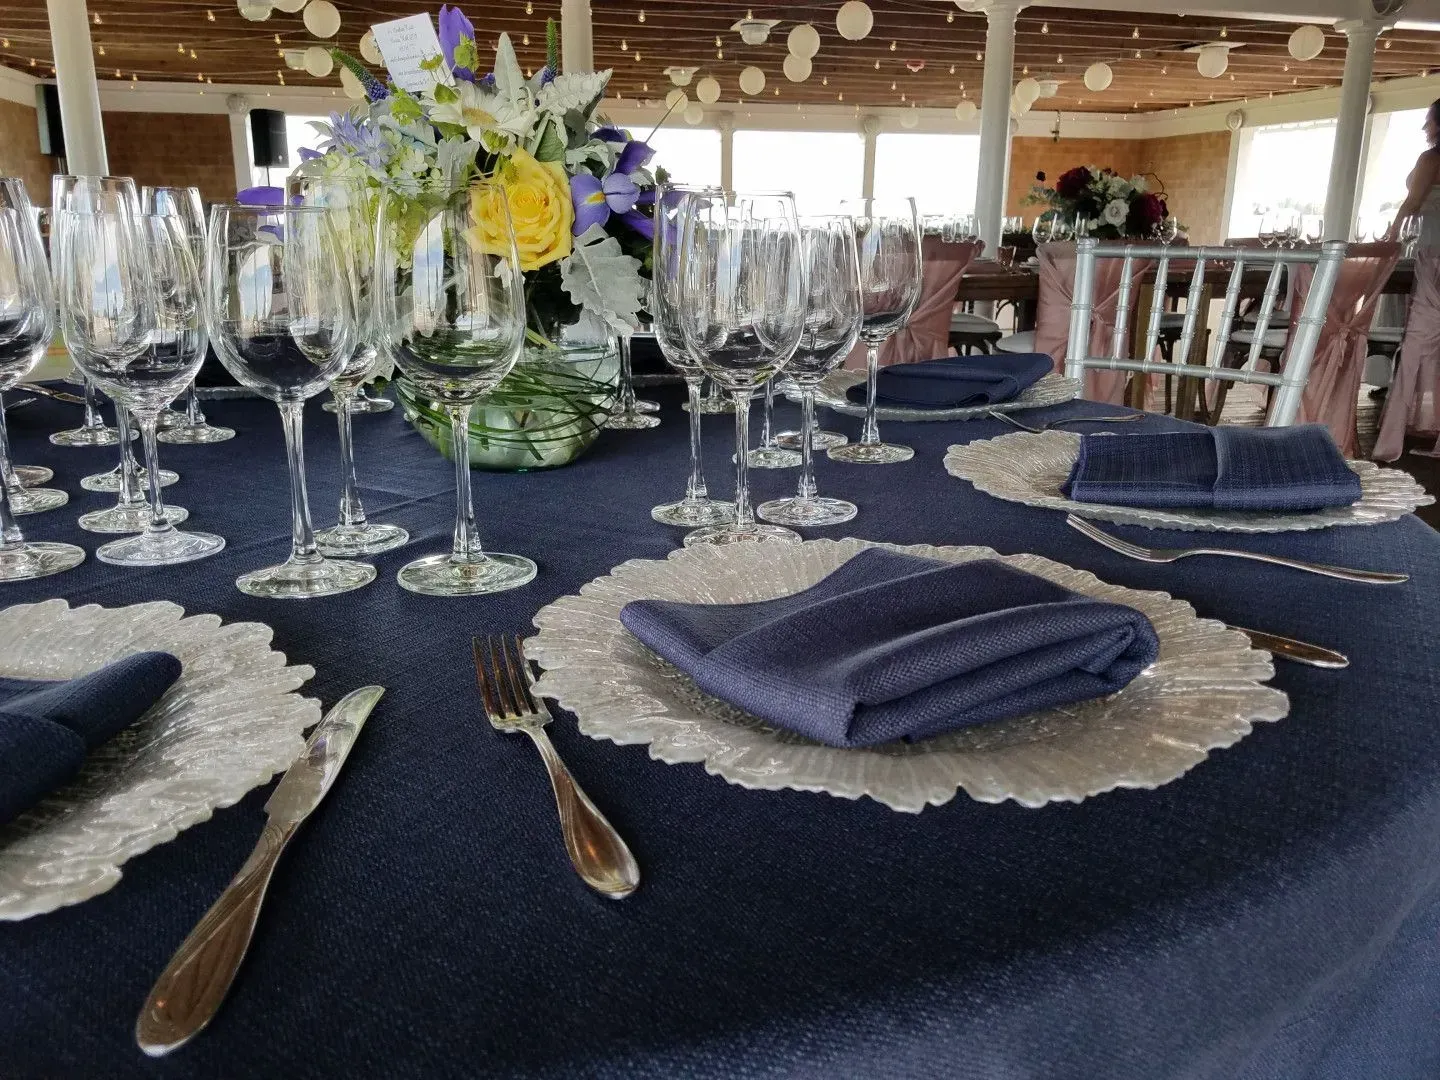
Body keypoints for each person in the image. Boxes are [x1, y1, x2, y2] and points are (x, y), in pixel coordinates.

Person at [1385, 99, 1440, 242]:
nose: (1424, 127)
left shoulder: (1430, 159)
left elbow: (1412, 202)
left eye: (1429, 122)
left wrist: (1392, 237)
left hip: (1427, 234)